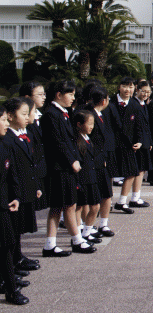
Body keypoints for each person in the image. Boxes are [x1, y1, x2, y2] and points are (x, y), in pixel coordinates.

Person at [41, 80, 96, 256]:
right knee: (67, 205)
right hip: (60, 167)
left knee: (60, 206)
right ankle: (76, 241)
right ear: (59, 95)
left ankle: (51, 244)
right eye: (70, 94)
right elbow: (57, 142)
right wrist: (72, 160)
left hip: (66, 166)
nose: (73, 98)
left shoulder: (63, 113)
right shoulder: (51, 114)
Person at [3, 98, 41, 275]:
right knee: (12, 229)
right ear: (10, 116)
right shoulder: (8, 139)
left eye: (28, 114)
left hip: (25, 186)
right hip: (14, 190)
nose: (27, 117)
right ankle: (12, 264)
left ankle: (17, 258)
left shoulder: (24, 135)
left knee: (18, 228)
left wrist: (36, 185)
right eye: (23, 114)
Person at [0, 105, 28, 305]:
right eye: (2, 120)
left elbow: (11, 175)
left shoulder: (4, 144)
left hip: (4, 205)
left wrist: (16, 197)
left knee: (7, 245)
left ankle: (9, 286)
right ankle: (10, 288)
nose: (6, 123)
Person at [108, 77, 147, 214]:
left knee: (131, 172)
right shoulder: (110, 103)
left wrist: (140, 141)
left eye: (130, 87)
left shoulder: (135, 105)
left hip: (128, 144)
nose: (127, 90)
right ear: (119, 87)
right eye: (125, 86)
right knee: (109, 174)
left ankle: (122, 201)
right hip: (112, 145)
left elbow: (139, 125)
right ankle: (107, 202)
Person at [84, 87, 116, 238]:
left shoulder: (100, 114)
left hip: (102, 159)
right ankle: (88, 228)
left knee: (107, 193)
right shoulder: (89, 115)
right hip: (94, 161)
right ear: (104, 101)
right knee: (93, 198)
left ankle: (103, 224)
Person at [72, 110, 103, 244]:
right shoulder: (75, 140)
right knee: (79, 207)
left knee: (95, 207)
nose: (91, 127)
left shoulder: (88, 138)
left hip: (92, 177)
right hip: (82, 178)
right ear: (79, 124)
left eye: (93, 124)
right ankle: (79, 234)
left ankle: (87, 232)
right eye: (89, 123)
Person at [18, 83, 47, 213]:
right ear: (27, 97)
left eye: (44, 94)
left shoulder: (41, 116)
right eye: (40, 94)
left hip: (41, 168)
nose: (44, 97)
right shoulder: (25, 123)